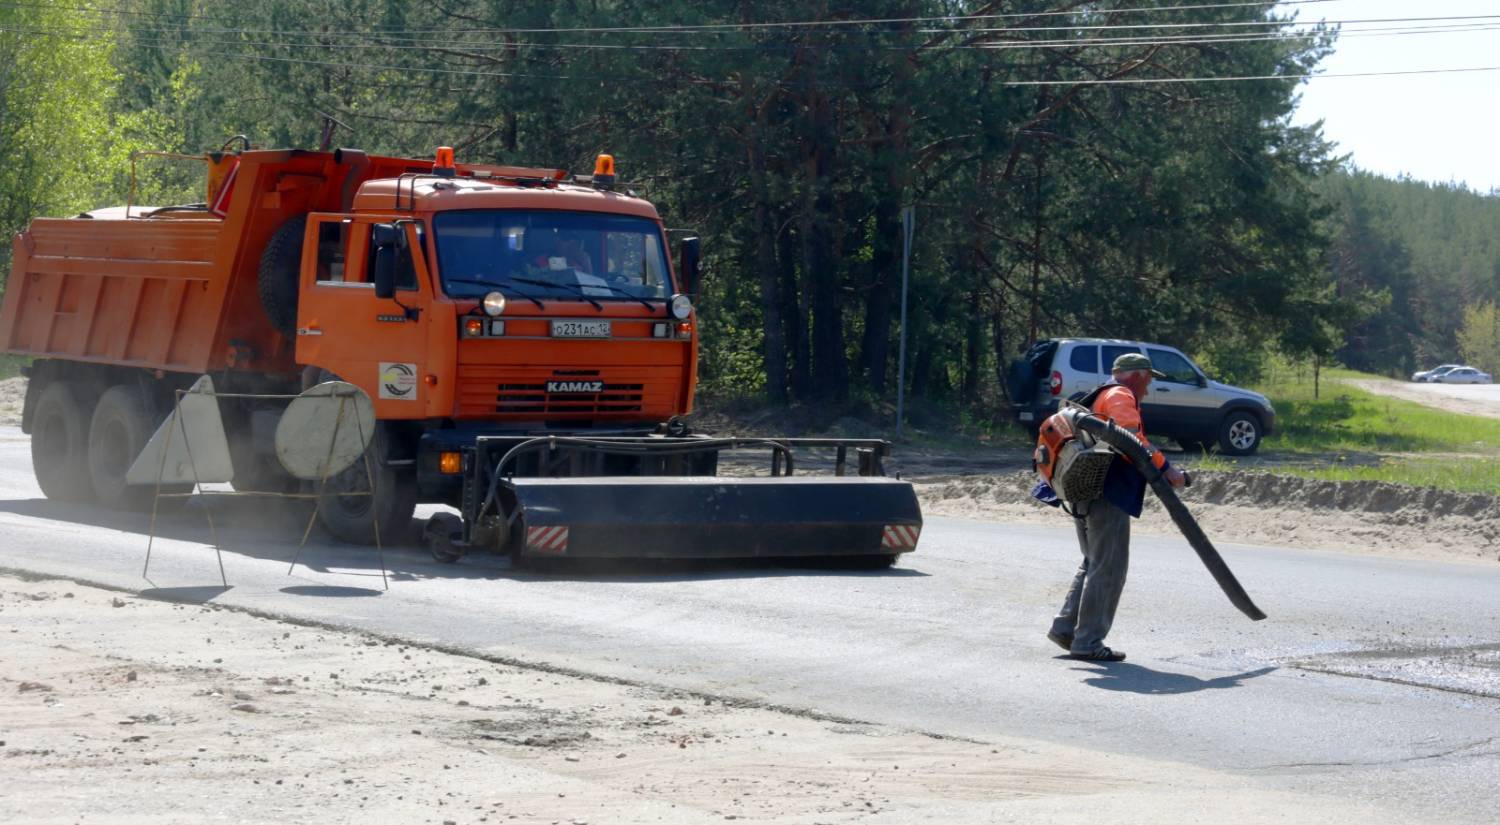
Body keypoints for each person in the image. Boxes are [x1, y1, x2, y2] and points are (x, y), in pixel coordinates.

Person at [1047, 352, 1187, 662]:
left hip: (1084, 488)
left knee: (1093, 562)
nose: (1149, 386)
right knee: (1108, 568)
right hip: (1107, 492)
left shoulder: (1100, 395)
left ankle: (1067, 629)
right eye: (1148, 378)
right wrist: (1168, 470)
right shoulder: (1121, 394)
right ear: (1136, 375)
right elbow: (1131, 439)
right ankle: (1088, 642)